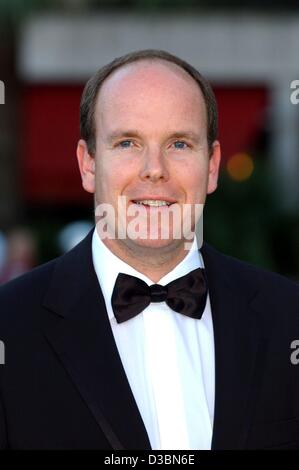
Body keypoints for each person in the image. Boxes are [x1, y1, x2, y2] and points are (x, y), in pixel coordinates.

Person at [0, 49, 299, 451]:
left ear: (211, 166)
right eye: (127, 142)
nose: (154, 168)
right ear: (88, 164)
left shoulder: (289, 317)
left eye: (179, 143)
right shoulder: (9, 326)